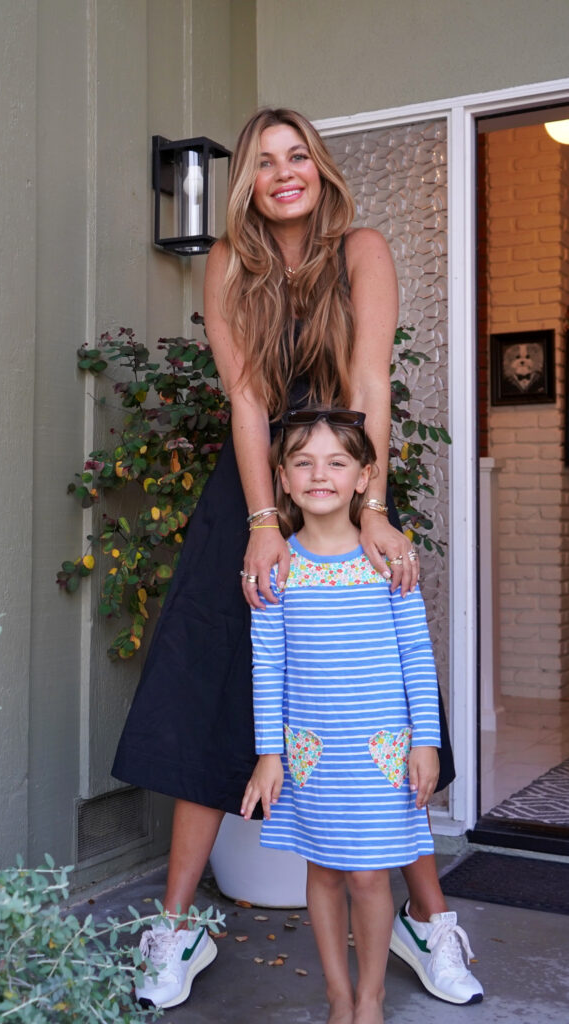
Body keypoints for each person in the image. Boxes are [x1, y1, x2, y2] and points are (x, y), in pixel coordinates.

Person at [112, 107, 482, 1010]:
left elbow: (365, 386)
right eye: (265, 162)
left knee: (376, 702)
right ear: (246, 181)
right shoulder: (230, 261)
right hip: (253, 497)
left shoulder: (362, 249)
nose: (284, 174)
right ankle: (176, 929)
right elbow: (245, 402)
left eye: (297, 157)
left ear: (318, 168)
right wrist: (261, 520)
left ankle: (424, 922)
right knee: (206, 691)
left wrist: (372, 510)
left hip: (343, 485)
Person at [241, 407, 445, 1024]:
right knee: (325, 871)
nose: (319, 475)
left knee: (368, 877)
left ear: (364, 478)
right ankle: (337, 995)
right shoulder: (277, 567)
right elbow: (267, 666)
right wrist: (269, 753)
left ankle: (372, 995)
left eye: (337, 462)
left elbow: (417, 654)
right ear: (281, 477)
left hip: (381, 750)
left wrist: (426, 743)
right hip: (312, 751)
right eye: (303, 462)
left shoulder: (389, 560)